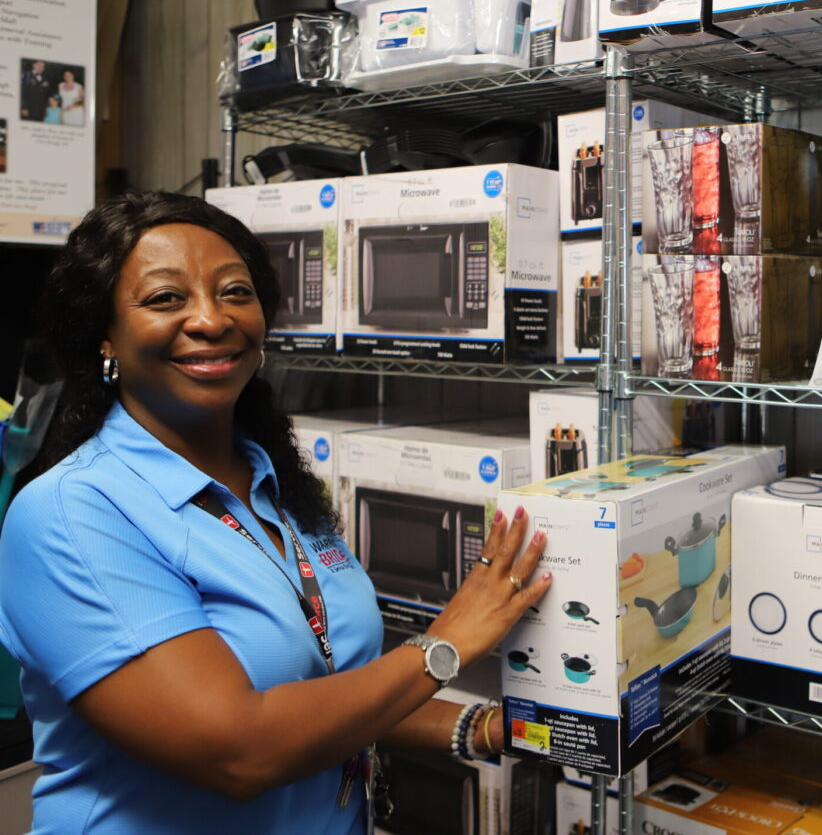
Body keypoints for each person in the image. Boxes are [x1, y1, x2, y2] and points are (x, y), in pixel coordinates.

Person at [0, 191, 551, 834]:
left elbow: (327, 681)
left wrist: (482, 727)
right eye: (164, 298)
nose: (211, 319)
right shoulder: (72, 511)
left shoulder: (271, 478)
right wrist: (446, 644)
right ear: (104, 337)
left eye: (235, 292)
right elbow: (237, 748)